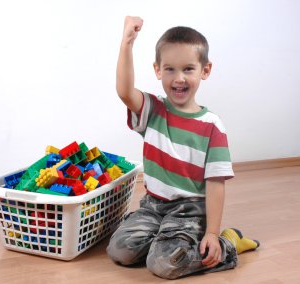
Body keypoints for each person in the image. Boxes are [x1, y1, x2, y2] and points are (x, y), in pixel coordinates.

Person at [106, 16, 260, 280]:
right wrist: (127, 43)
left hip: (190, 210)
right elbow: (124, 91)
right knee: (120, 250)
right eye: (170, 69)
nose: (179, 78)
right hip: (153, 205)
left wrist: (212, 232)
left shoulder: (212, 127)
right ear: (157, 70)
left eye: (188, 69)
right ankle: (167, 240)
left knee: (163, 265)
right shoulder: (152, 110)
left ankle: (228, 244)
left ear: (205, 70)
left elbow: (215, 184)